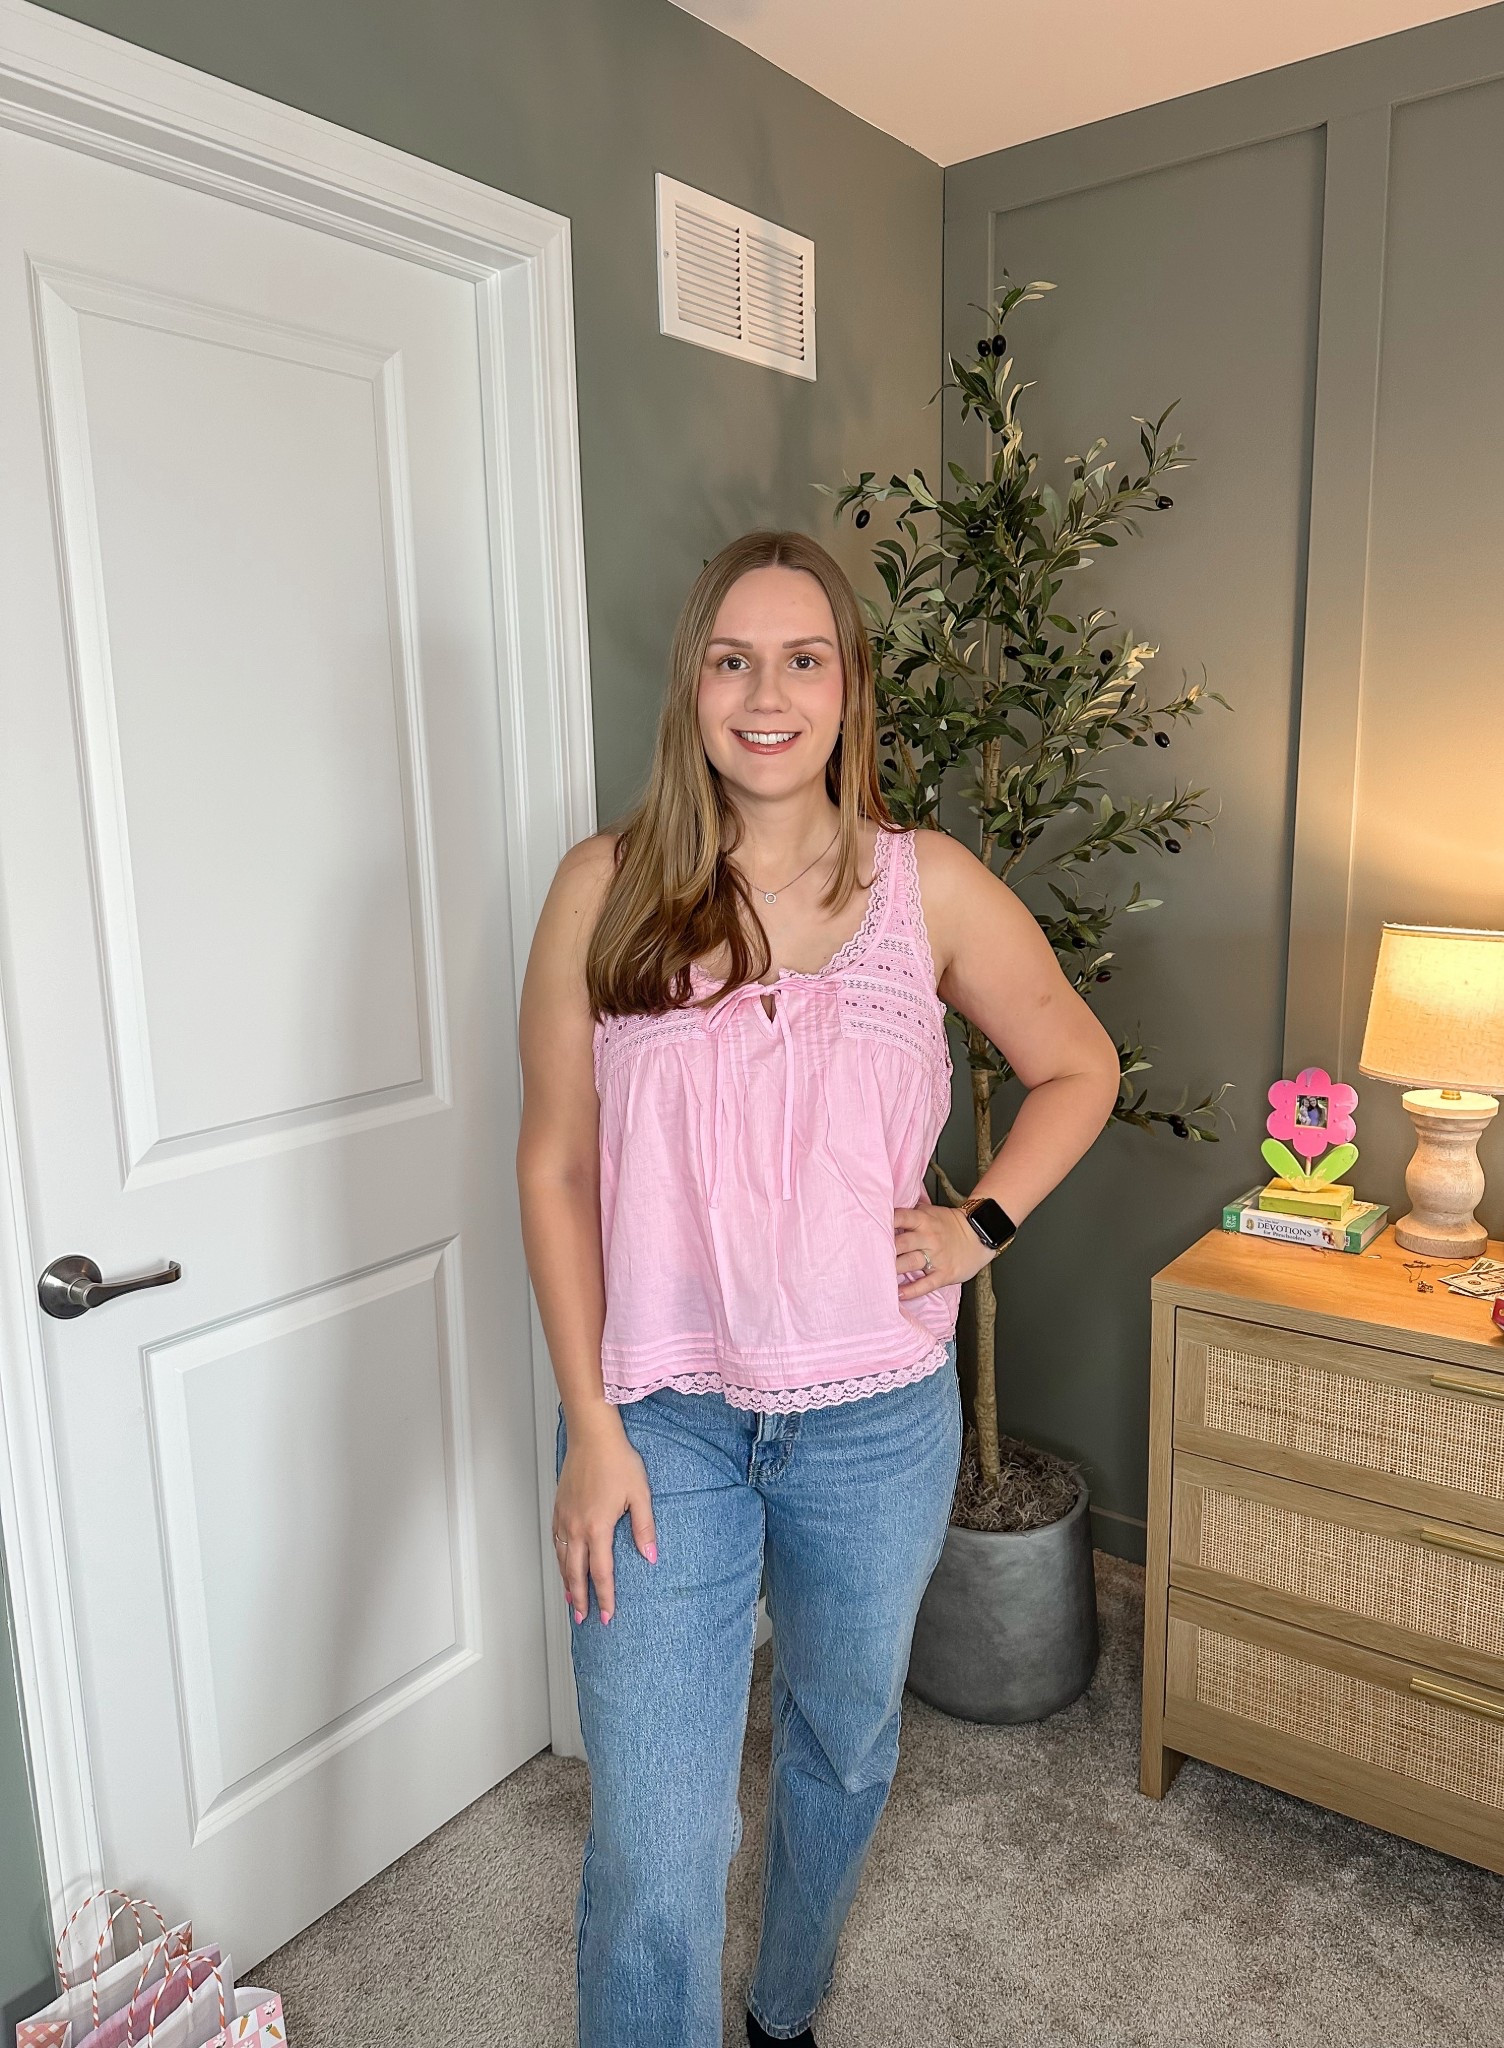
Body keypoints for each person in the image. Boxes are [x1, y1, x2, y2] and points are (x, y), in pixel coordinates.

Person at [516, 530, 1122, 2048]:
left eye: (803, 659)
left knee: (841, 1747)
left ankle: (785, 2005)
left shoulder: (930, 889)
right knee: (656, 1843)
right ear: (692, 685)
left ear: (849, 687)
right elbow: (554, 1168)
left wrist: (978, 1224)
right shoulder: (604, 886)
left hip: (875, 1426)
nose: (766, 694)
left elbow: (1078, 1064)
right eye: (733, 659)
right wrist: (589, 1422)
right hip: (661, 1427)